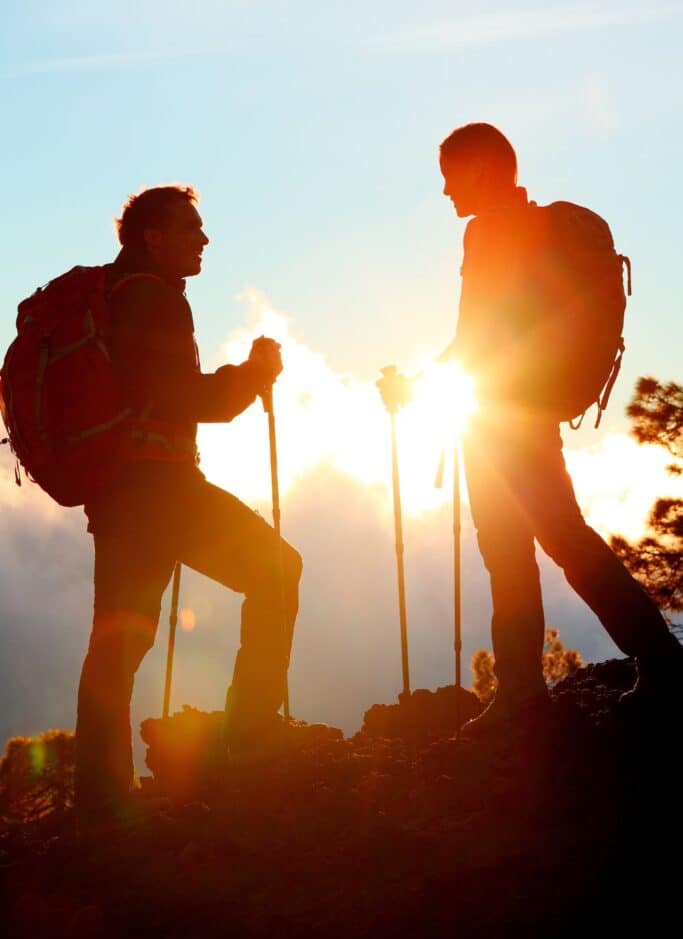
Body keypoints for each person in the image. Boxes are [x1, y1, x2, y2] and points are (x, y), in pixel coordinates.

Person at [383, 123, 681, 738]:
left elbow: (476, 337)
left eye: (451, 175)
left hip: (501, 419)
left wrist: (414, 387)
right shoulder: (533, 229)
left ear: (485, 170)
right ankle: (640, 665)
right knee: (555, 539)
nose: (444, 191)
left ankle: (535, 690)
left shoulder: (488, 232)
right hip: (530, 409)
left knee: (522, 549)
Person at [75, 185, 309, 826]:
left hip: (121, 495)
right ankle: (250, 738)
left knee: (117, 644)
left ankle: (99, 804)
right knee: (276, 570)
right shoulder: (153, 298)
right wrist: (255, 374)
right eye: (191, 229)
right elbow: (186, 399)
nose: (203, 240)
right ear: (154, 236)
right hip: (163, 492)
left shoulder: (119, 293)